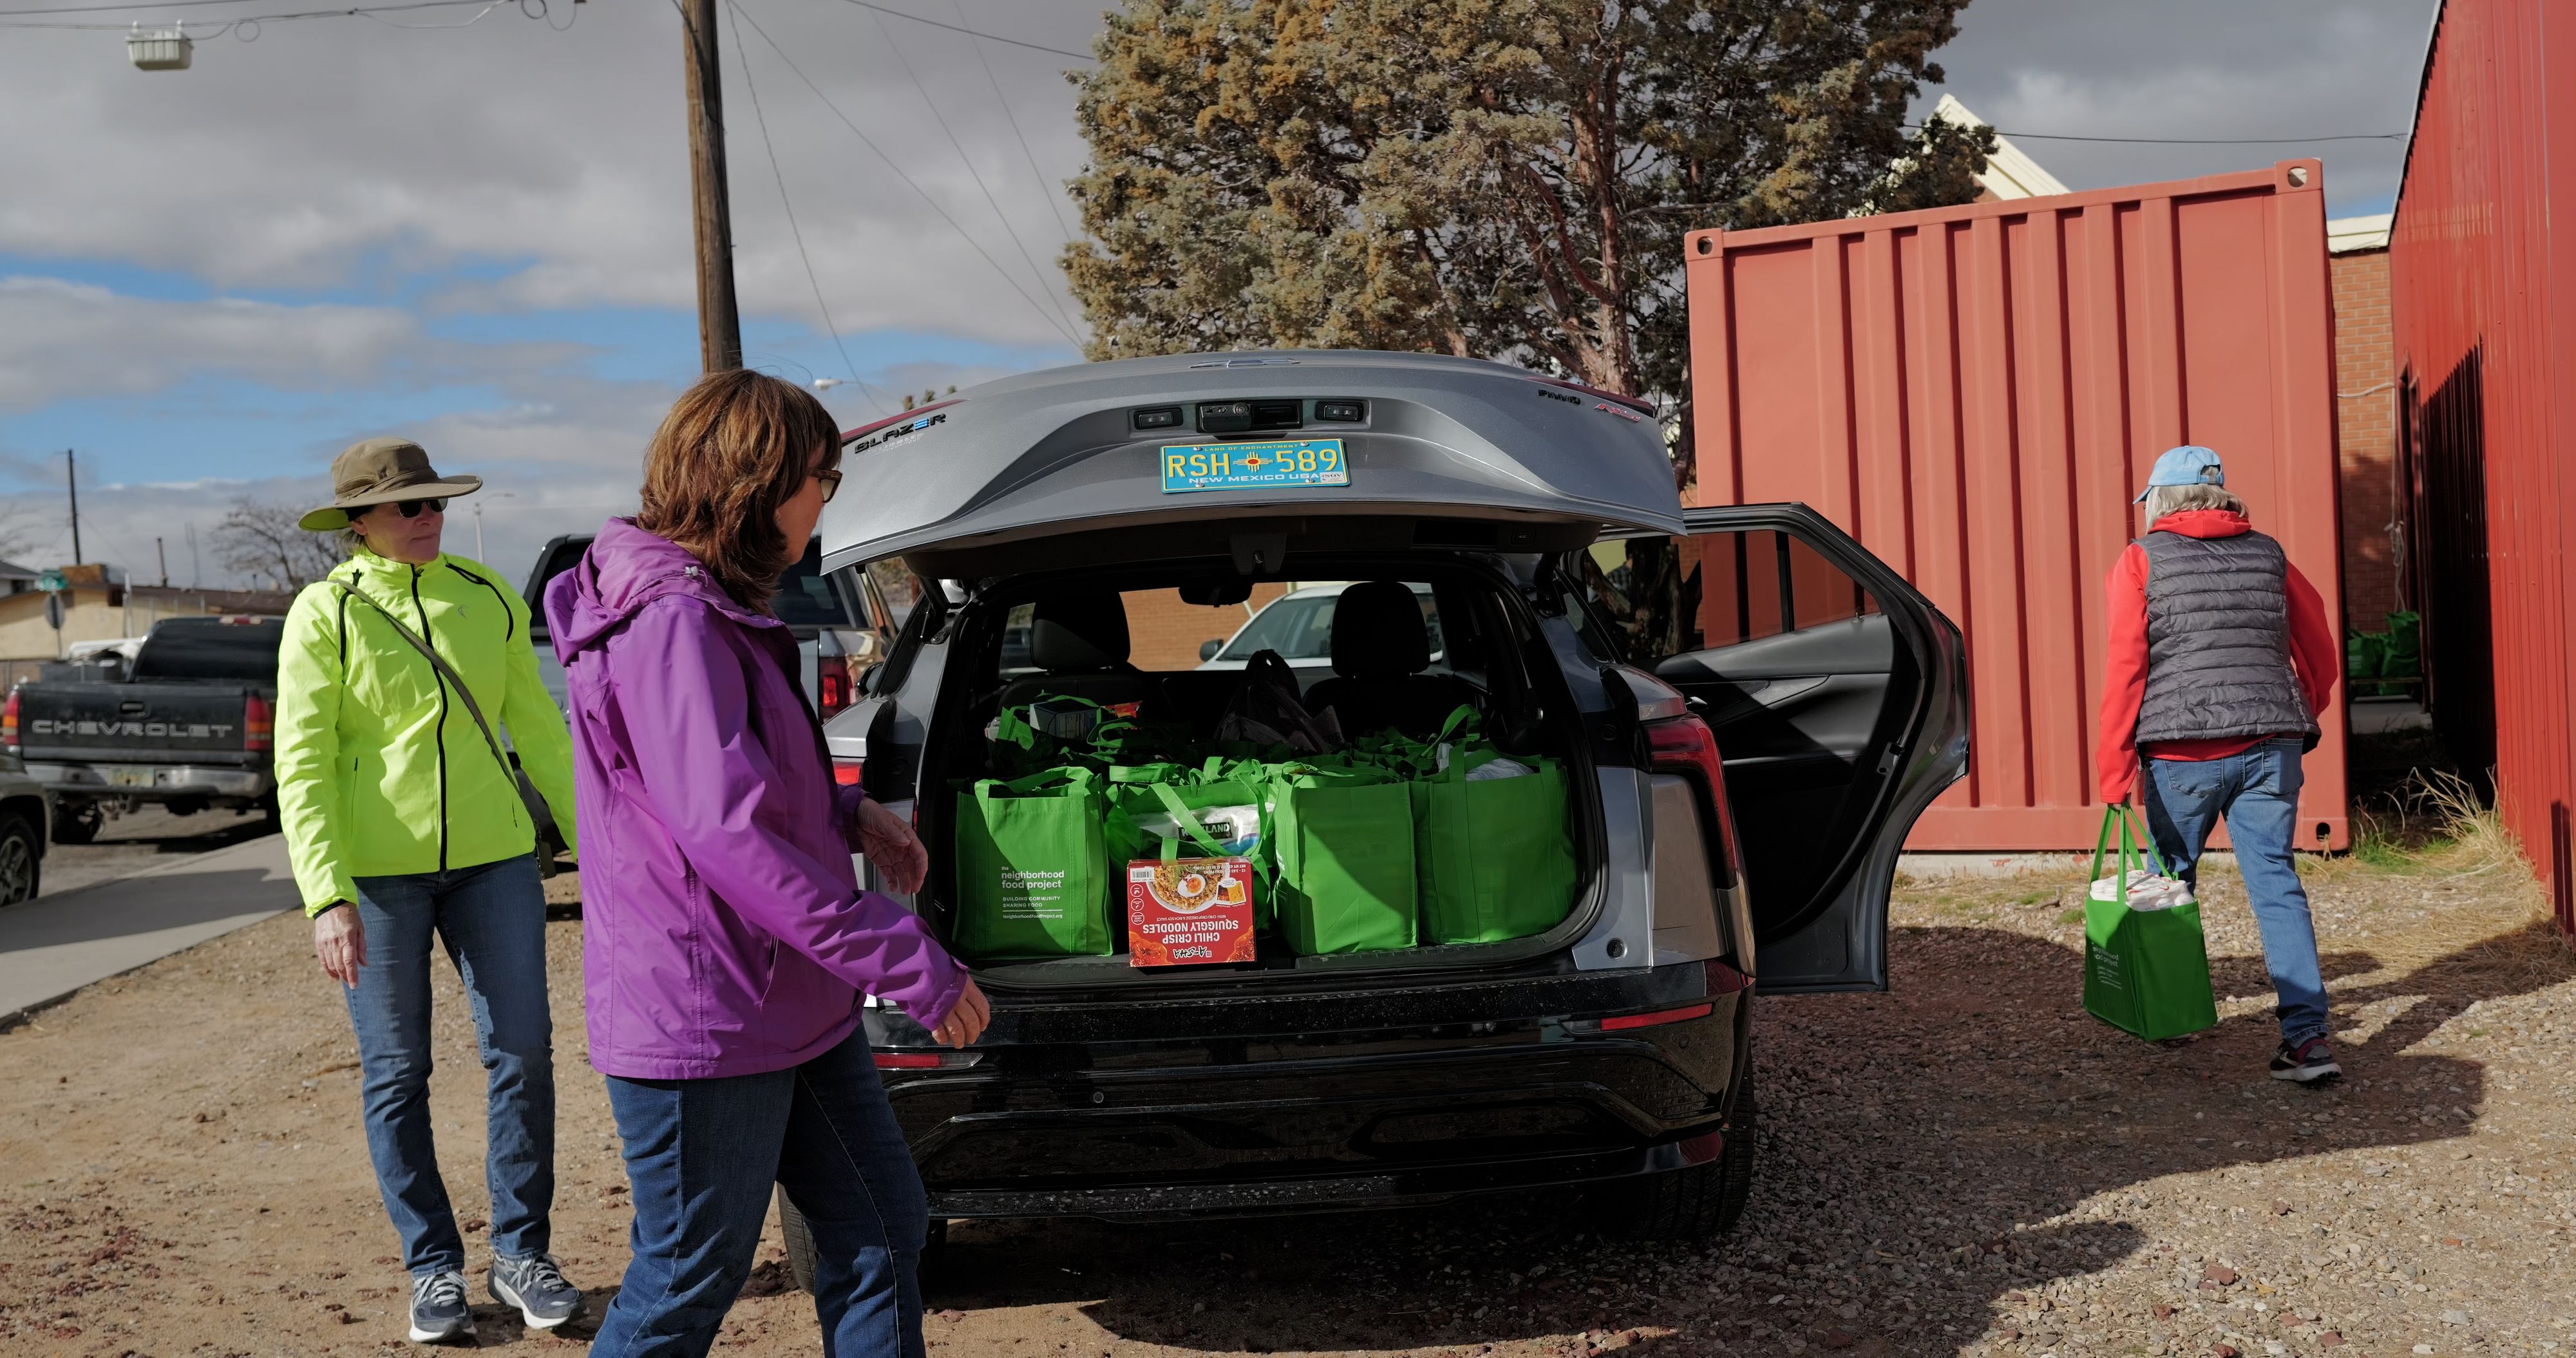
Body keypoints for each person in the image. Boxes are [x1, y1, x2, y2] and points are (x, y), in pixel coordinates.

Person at [547, 370, 989, 1357]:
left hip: (789, 997)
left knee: (880, 1225)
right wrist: (903, 956)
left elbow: (726, 790)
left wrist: (848, 813)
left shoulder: (708, 609)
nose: (826, 501)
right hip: (708, 1015)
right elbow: (726, 833)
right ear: (757, 482)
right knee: (684, 1281)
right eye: (821, 478)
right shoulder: (673, 620)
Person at [276, 437, 587, 1344]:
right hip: (377, 878)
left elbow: (541, 732)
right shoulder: (325, 613)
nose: (429, 518)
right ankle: (432, 1268)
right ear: (360, 521)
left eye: (436, 502)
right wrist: (325, 894)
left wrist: (596, 850)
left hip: (496, 861)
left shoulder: (486, 596)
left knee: (523, 1052)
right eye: (409, 506)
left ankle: (522, 1254)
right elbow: (302, 762)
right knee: (397, 1071)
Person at [2096, 444, 2342, 1082]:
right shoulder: (2269, 553)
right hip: (2271, 744)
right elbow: (2319, 644)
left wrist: (2113, 770)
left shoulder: (2141, 559)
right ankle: (2308, 1040)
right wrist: (2298, 704)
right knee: (2276, 884)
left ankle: (2171, 1014)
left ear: (2160, 499)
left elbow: (2127, 668)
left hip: (2181, 753)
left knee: (2169, 881)